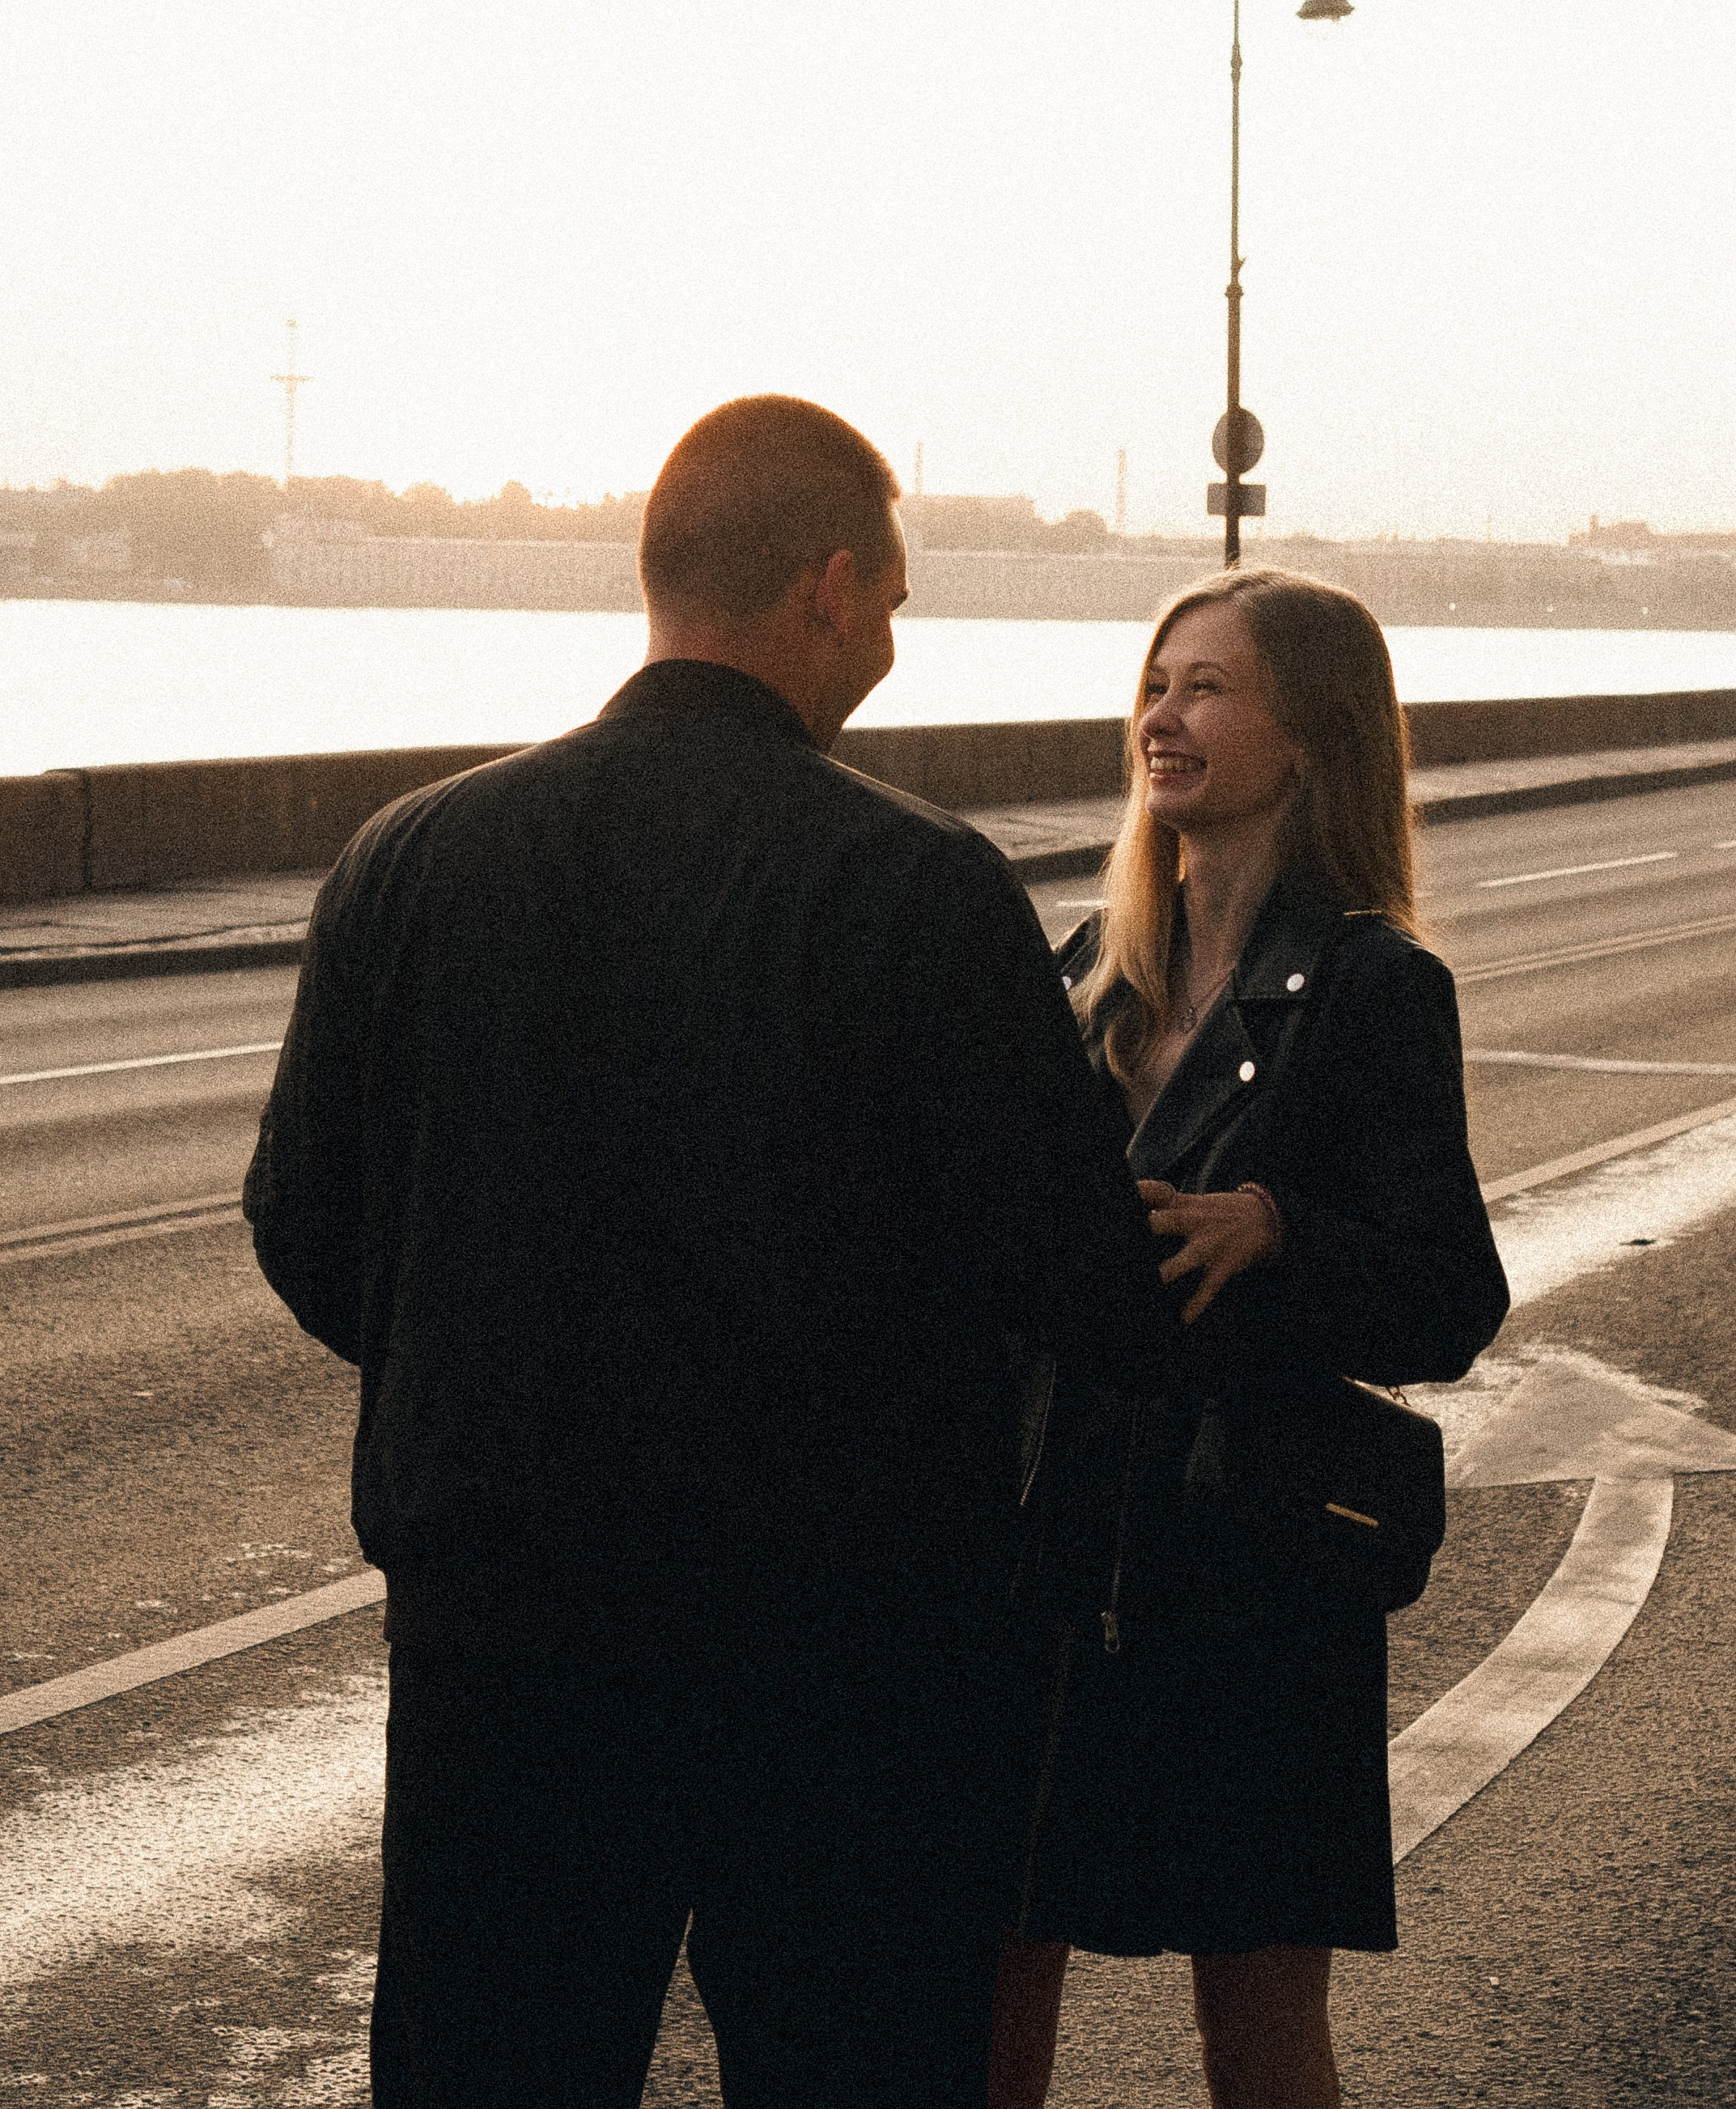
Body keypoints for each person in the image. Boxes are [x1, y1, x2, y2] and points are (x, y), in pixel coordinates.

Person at [244, 393, 1186, 2109]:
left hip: (500, 1642)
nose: (889, 644)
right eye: (890, 604)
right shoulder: (916, 886)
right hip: (848, 1662)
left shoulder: (410, 857)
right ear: (827, 586)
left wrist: (491, 1376)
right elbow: (1074, 1278)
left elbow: (306, 1227)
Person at [988, 570, 1510, 2109]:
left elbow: (1450, 1296)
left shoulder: (1371, 985)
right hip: (1050, 1549)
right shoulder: (1088, 965)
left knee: (1262, 2019)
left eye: (1209, 685)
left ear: (1313, 731)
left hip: (1251, 1566)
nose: (1164, 713)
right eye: (1157, 680)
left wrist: (1281, 1228)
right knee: (993, 1975)